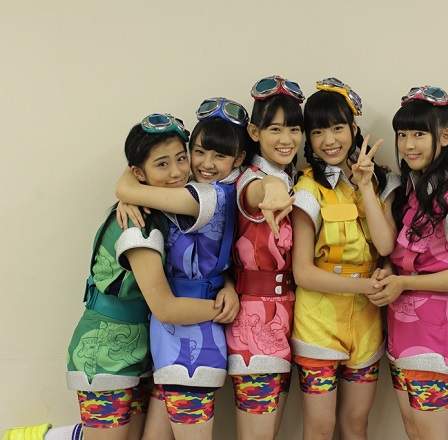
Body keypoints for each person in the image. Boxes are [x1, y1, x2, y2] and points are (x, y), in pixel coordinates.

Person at [66, 114, 230, 440]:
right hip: (105, 351)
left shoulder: (157, 205)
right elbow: (165, 308)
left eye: (181, 158)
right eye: (162, 164)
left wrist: (231, 286)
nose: (177, 172)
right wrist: (226, 309)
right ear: (139, 173)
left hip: (145, 348)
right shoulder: (136, 224)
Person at [114, 98, 249, 440]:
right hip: (168, 332)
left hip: (196, 335)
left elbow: (126, 187)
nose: (203, 164)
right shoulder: (185, 190)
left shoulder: (211, 195)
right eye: (198, 152)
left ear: (238, 159)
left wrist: (131, 190)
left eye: (220, 155)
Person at [365, 86, 448, 440]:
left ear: (445, 136)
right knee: (416, 433)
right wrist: (391, 272)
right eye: (402, 134)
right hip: (402, 330)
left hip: (436, 332)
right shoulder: (412, 191)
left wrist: (405, 283)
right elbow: (395, 252)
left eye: (419, 134)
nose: (408, 145)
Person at [290, 77, 399, 440]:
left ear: (353, 129)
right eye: (317, 131)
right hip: (317, 322)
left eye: (337, 128)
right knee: (320, 429)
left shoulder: (378, 182)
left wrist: (365, 186)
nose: (329, 140)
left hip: (366, 323)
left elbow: (385, 246)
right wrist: (368, 286)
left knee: (356, 425)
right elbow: (303, 272)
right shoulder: (307, 189)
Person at [225, 76, 304, 440]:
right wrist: (271, 188)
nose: (286, 138)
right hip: (255, 317)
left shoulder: (294, 177)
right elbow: (257, 192)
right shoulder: (251, 179)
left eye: (294, 129)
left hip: (288, 313)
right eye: (275, 129)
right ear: (254, 132)